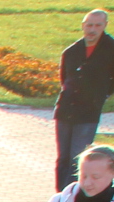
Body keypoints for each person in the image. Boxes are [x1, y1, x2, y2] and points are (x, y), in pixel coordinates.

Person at [56, 10, 114, 189]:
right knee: (63, 158)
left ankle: (74, 198)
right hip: (65, 109)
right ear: (83, 26)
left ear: (105, 26)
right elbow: (64, 78)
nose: (92, 29)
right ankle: (60, 197)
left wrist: (100, 95)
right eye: (89, 25)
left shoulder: (110, 50)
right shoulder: (72, 51)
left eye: (97, 25)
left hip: (88, 112)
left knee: (78, 157)